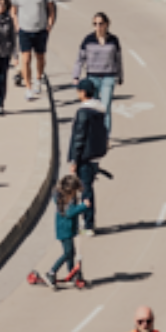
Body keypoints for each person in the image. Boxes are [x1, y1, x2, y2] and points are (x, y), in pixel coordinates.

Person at [8, 0, 55, 100]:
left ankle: (38, 79)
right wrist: (17, 25)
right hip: (25, 31)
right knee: (26, 59)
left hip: (41, 30)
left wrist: (49, 24)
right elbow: (13, 10)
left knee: (40, 57)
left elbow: (51, 8)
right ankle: (28, 87)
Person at [69, 77, 109, 234]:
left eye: (79, 90)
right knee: (88, 188)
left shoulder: (83, 112)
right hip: (95, 156)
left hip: (84, 157)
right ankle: (87, 221)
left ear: (84, 93)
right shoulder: (100, 110)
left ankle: (88, 224)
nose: (77, 93)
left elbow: (79, 137)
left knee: (85, 190)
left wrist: (74, 159)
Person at [73, 11, 125, 130]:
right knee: (94, 108)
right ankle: (95, 134)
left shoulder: (113, 40)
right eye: (95, 24)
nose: (98, 27)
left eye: (100, 24)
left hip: (109, 77)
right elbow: (80, 59)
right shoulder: (88, 40)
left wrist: (120, 76)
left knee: (105, 107)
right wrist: (76, 76)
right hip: (92, 77)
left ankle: (105, 137)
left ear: (106, 24)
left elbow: (118, 60)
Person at [47, 174, 90, 285]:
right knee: (68, 253)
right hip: (64, 230)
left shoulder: (65, 197)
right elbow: (70, 212)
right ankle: (51, 272)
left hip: (68, 229)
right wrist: (83, 206)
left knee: (71, 253)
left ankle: (71, 273)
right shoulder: (66, 201)